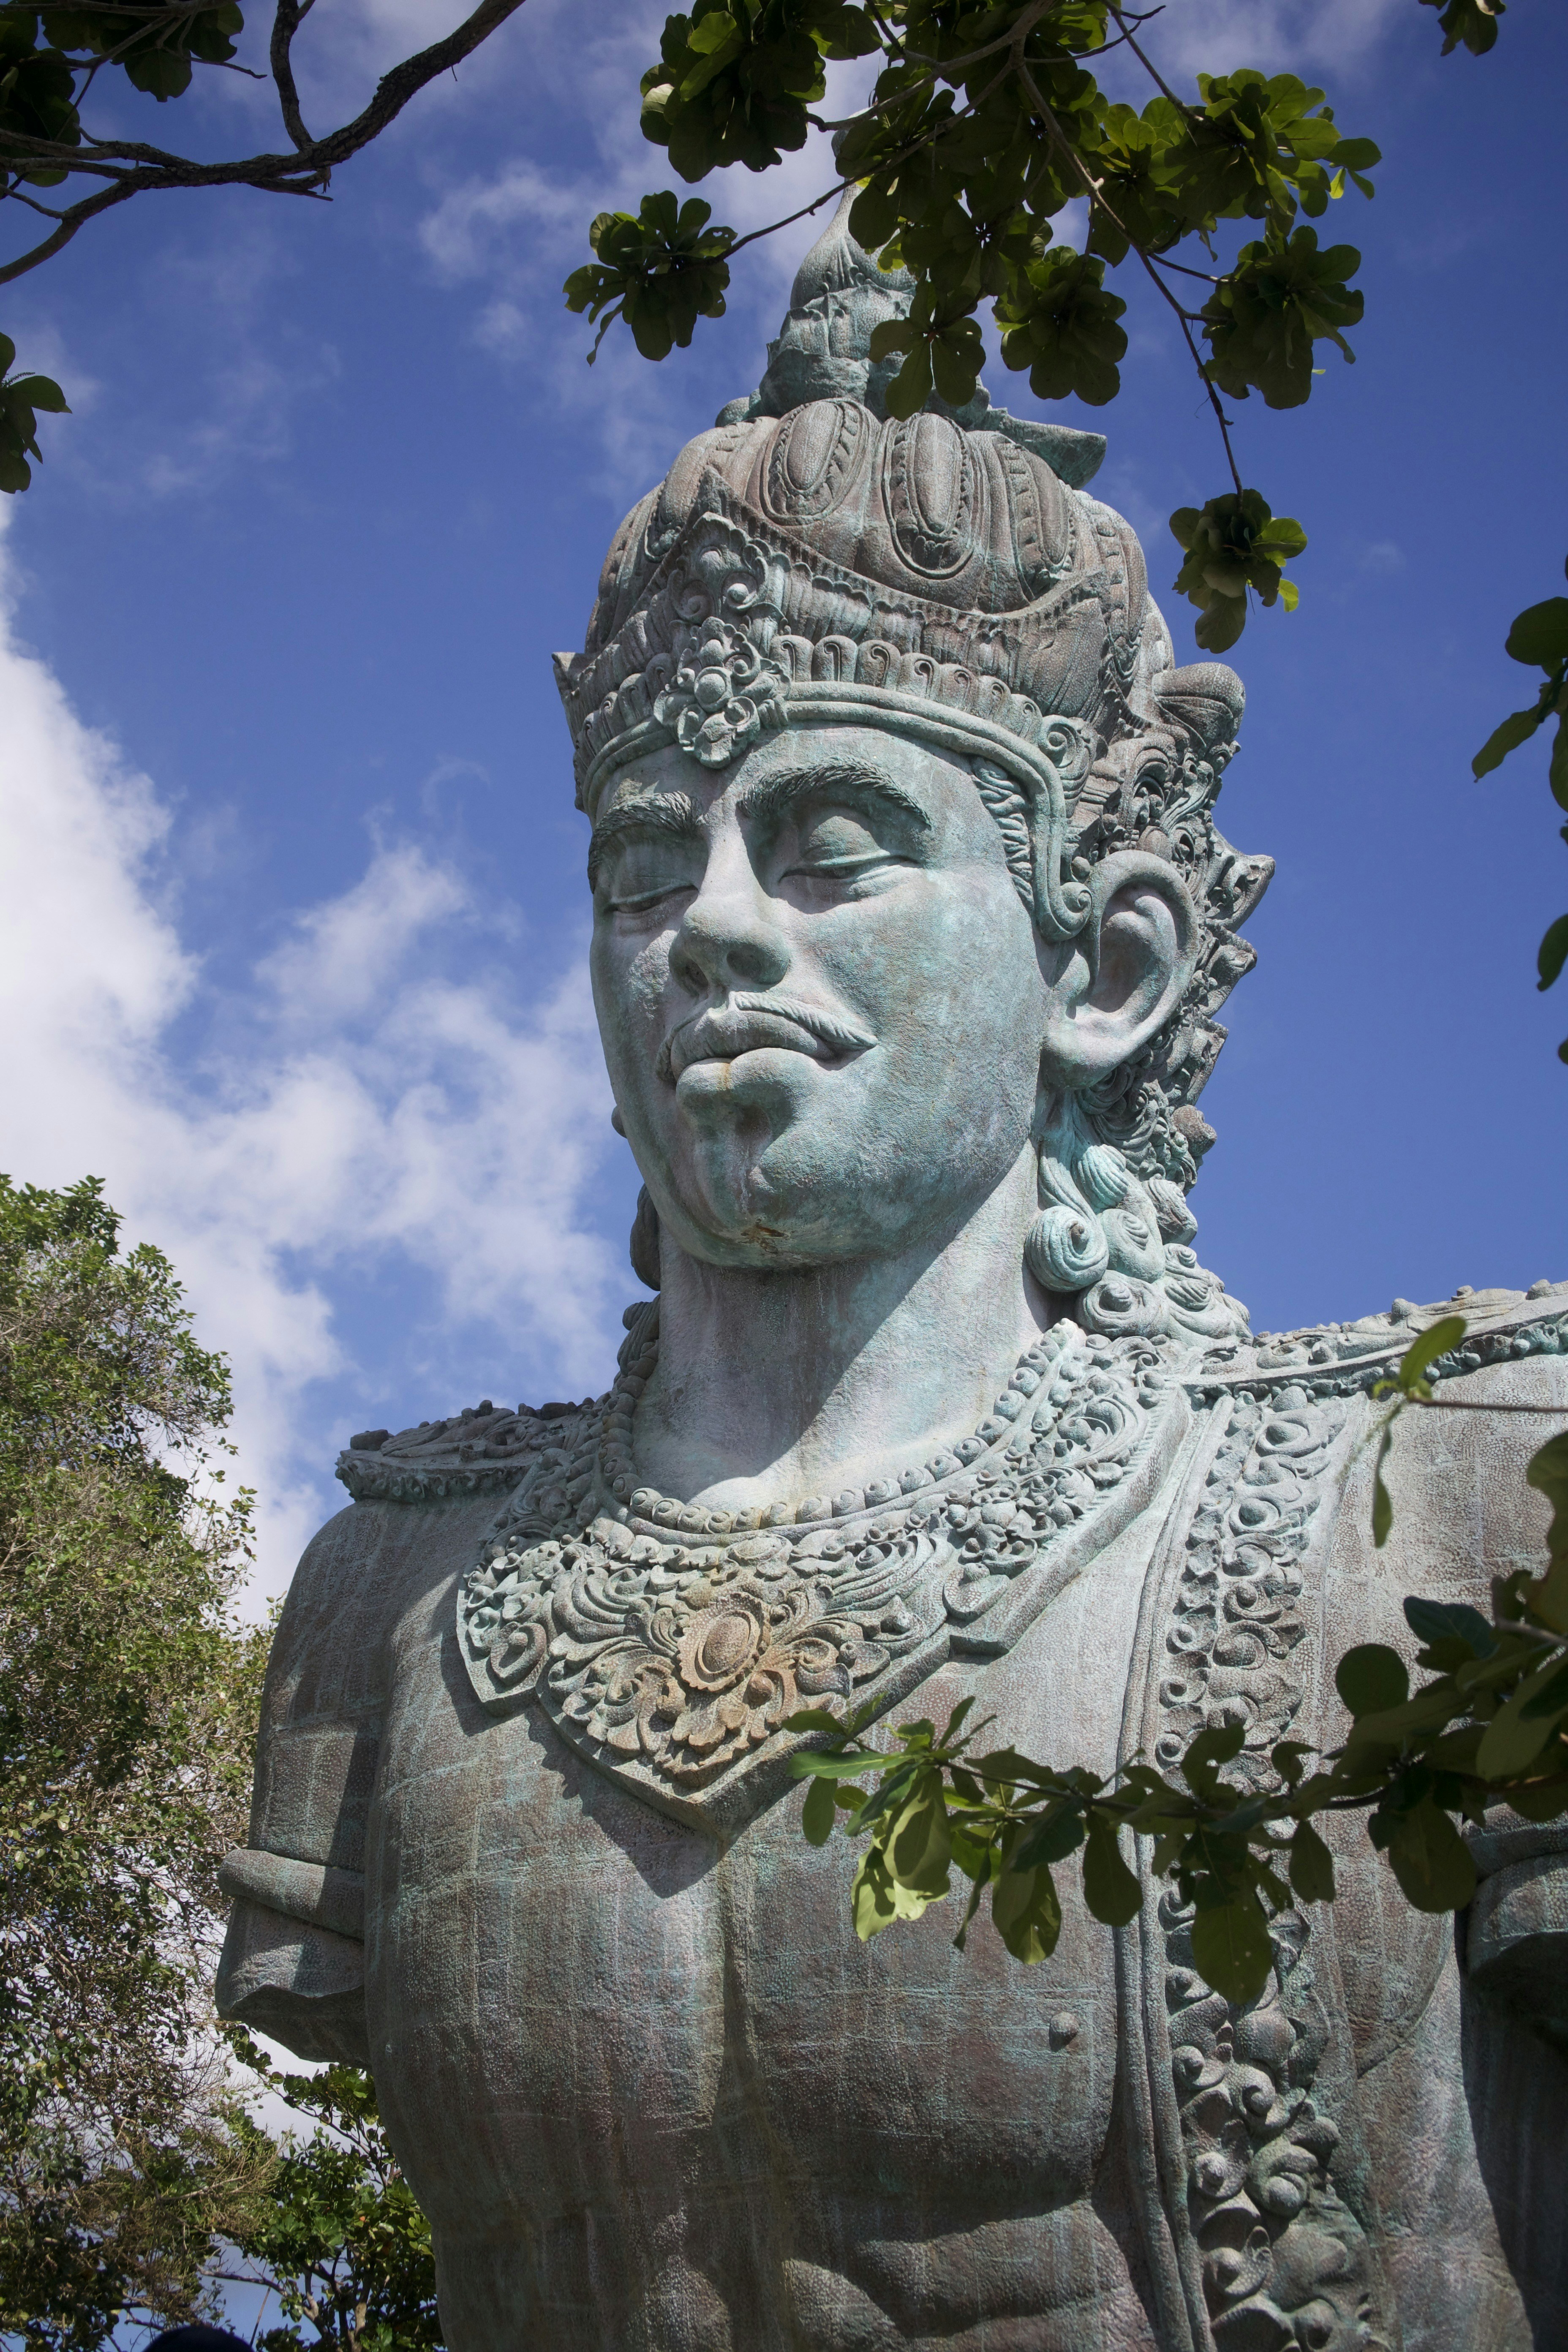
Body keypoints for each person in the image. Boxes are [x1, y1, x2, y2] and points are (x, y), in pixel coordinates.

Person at [217, 196, 1568, 2351]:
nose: (711, 925)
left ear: (1104, 965)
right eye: (643, 864)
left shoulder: (1455, 1508)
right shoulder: (396, 1590)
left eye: (831, 845)